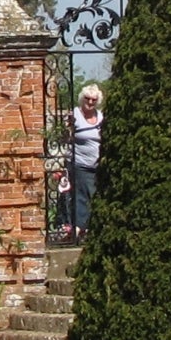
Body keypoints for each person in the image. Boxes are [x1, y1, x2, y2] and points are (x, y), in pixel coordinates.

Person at [66, 83, 104, 235]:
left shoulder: (100, 116)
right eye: (87, 99)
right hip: (80, 163)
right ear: (82, 98)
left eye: (93, 100)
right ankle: (77, 230)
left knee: (95, 196)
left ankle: (91, 229)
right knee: (81, 197)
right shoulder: (75, 115)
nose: (90, 102)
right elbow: (65, 138)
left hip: (98, 164)